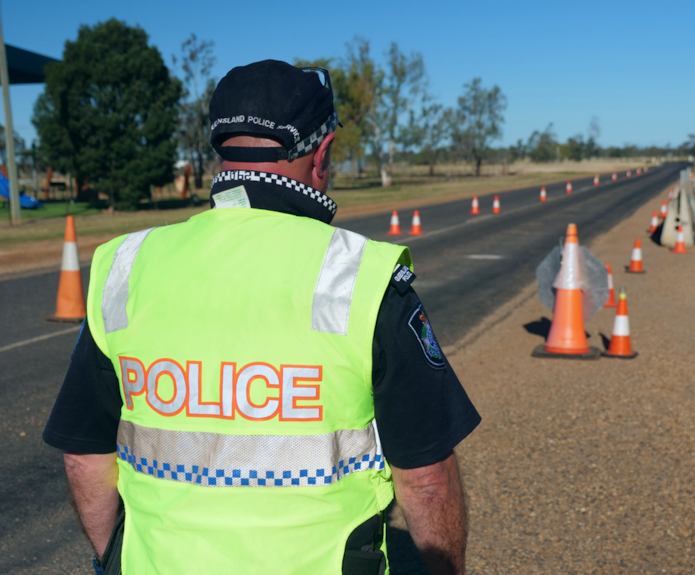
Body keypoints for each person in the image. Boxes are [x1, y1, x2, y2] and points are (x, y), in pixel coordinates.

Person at [43, 60, 481, 575]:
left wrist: (114, 559)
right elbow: (426, 479)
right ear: (322, 154)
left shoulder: (126, 266)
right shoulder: (358, 275)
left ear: (220, 151)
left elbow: (84, 456)